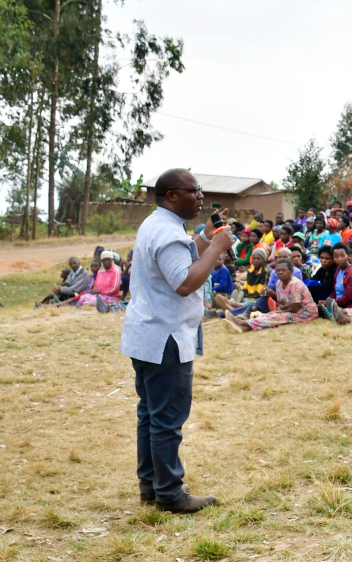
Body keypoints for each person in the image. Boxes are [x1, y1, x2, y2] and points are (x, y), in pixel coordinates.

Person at [120, 168, 234, 513]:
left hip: (148, 333)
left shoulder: (158, 225)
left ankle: (150, 485)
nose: (201, 197)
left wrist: (204, 237)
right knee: (167, 418)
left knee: (151, 415)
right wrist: (216, 248)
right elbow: (184, 281)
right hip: (166, 337)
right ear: (172, 195)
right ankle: (170, 492)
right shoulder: (167, 233)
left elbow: (178, 258)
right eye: (194, 191)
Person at [225, 259, 319, 332]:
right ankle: (243, 328)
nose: (280, 272)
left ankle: (241, 322)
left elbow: (294, 308)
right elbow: (283, 302)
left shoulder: (294, 284)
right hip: (293, 309)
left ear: (291, 271)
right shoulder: (279, 283)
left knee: (276, 317)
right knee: (270, 314)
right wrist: (280, 307)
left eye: (283, 270)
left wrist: (281, 309)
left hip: (306, 313)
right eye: (278, 271)